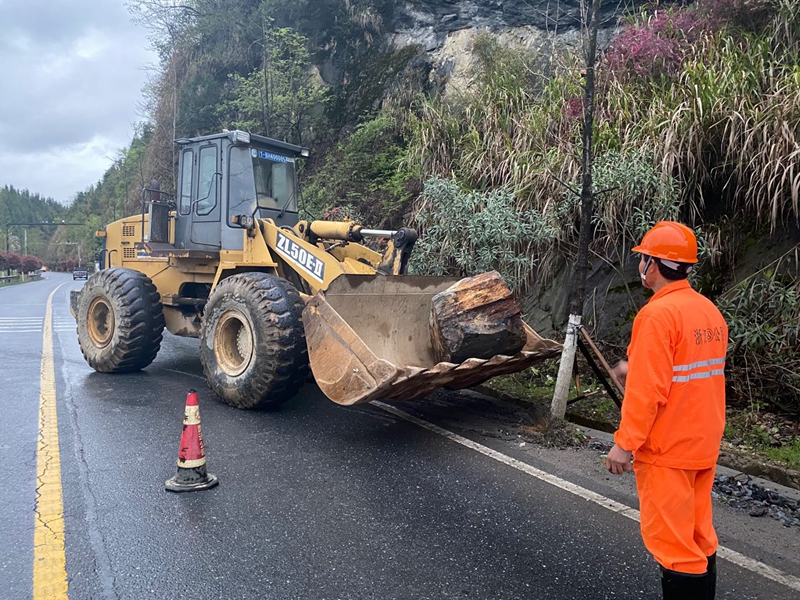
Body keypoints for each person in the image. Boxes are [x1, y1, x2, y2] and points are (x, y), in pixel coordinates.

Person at [606, 221, 727, 600]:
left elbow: (647, 393)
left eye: (642, 258)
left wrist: (624, 445)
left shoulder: (657, 316)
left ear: (654, 265)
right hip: (702, 445)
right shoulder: (707, 311)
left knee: (674, 549)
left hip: (668, 451)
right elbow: (687, 372)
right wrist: (634, 366)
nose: (639, 264)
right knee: (699, 537)